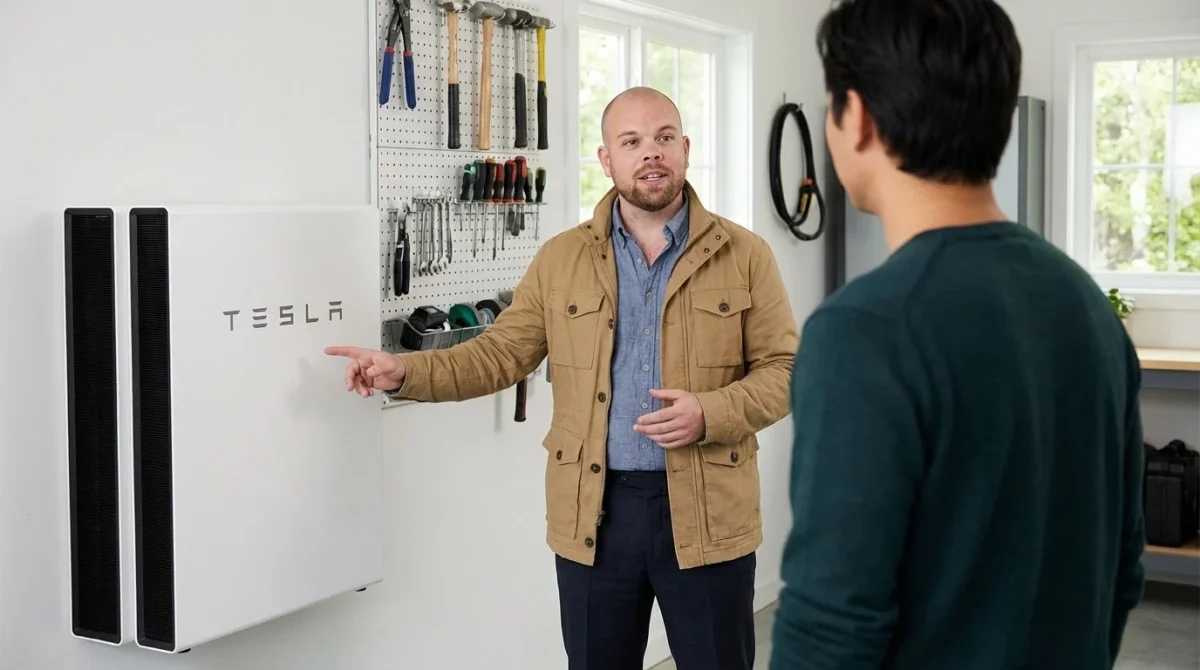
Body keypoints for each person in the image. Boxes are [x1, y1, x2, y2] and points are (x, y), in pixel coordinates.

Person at [327, 86, 798, 670]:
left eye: (664, 138)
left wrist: (711, 412)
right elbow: (498, 355)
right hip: (595, 513)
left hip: (710, 510)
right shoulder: (561, 260)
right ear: (606, 159)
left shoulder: (745, 254)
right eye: (631, 142)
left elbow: (785, 371)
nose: (650, 153)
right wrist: (405, 371)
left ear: (685, 149)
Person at [768, 1, 1146, 668]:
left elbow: (830, 624)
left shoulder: (864, 331)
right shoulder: (1086, 306)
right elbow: (1121, 572)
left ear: (855, 118)